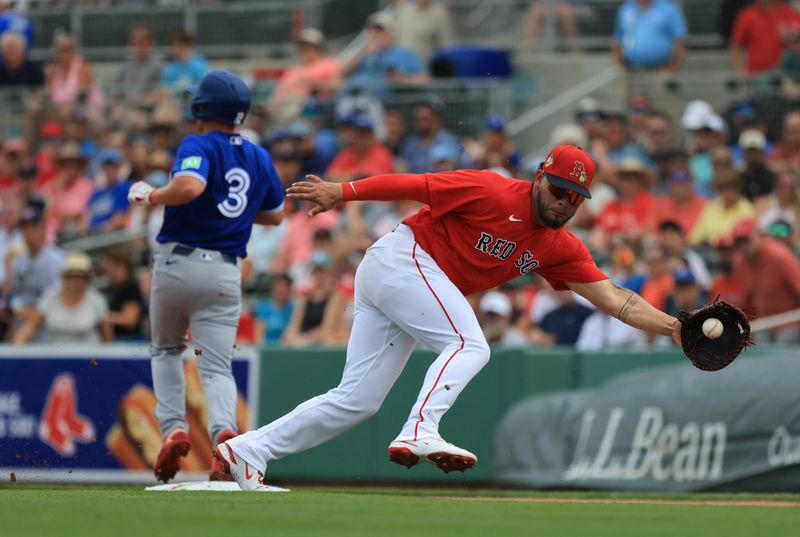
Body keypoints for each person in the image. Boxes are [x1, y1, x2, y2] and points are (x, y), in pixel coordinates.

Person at [215, 145, 683, 491]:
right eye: (560, 189)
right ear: (540, 178)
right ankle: (421, 428)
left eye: (576, 197)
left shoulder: (560, 246)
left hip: (404, 282)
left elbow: (616, 297)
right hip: (404, 257)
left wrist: (676, 328)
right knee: (469, 345)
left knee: (357, 400)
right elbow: (415, 184)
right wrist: (344, 191)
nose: (565, 201)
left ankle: (249, 449)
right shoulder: (493, 189)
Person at [126, 70, 285, 484]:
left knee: (166, 350)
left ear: (200, 108)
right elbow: (276, 214)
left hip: (178, 263)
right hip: (226, 272)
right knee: (216, 367)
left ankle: (173, 428)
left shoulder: (196, 143)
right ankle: (224, 437)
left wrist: (152, 195)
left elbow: (191, 186)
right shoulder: (259, 155)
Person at [13, 252, 112, 345]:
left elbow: (106, 336)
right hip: (54, 357)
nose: (76, 281)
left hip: (88, 359)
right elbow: (31, 326)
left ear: (88, 279)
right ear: (65, 277)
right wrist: (17, 347)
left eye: (81, 277)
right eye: (72, 276)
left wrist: (103, 360)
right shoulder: (50, 296)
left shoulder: (97, 300)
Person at [732, 218, 800, 343]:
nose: (744, 245)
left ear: (758, 235)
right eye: (739, 242)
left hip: (790, 322)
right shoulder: (741, 263)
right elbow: (748, 299)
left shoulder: (779, 256)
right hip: (763, 324)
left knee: (780, 349)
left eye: (746, 240)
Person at [268, 28, 341, 124]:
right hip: (281, 105)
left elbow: (338, 84)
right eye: (303, 46)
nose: (306, 49)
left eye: (310, 46)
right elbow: (278, 91)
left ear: (319, 47)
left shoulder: (328, 64)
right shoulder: (294, 70)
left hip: (306, 106)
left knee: (290, 112)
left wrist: (312, 84)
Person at [730, 0, 800, 81]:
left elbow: (797, 44)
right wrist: (740, 73)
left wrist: (788, 39)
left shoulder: (789, 13)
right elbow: (735, 46)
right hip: (757, 76)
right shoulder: (747, 15)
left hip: (786, 76)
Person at [99, 246, 145, 341]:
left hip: (129, 342)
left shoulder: (131, 287)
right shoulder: (117, 288)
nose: (107, 274)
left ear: (120, 266)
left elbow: (130, 320)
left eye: (107, 269)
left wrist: (103, 317)